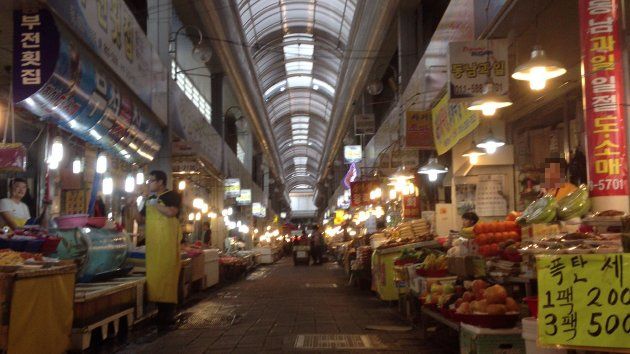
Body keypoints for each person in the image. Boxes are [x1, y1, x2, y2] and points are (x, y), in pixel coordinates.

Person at [138, 170, 182, 327]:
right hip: (154, 246)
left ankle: (169, 316)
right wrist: (132, 204)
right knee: (156, 279)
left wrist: (155, 204)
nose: (149, 183)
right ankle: (160, 315)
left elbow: (171, 212)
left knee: (168, 278)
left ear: (161, 182)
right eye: (148, 181)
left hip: (168, 245)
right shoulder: (149, 198)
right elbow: (140, 219)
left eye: (152, 181)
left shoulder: (173, 196)